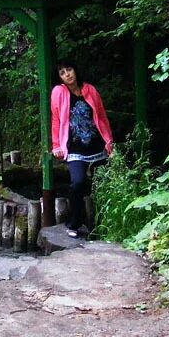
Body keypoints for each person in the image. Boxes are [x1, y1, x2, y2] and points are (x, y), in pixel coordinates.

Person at [51, 60, 113, 238]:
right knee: (77, 183)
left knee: (103, 184)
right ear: (60, 77)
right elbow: (56, 120)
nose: (67, 74)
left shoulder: (90, 90)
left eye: (69, 70)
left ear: (75, 70)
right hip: (75, 148)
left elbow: (101, 116)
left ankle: (104, 223)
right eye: (62, 72)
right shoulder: (58, 92)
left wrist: (109, 141)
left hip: (96, 145)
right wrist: (56, 145)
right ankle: (74, 223)